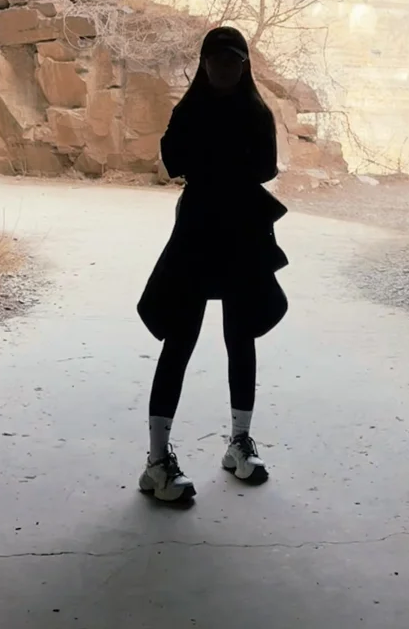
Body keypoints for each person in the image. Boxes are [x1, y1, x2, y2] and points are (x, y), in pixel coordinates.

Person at [136, 25, 289, 503]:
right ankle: (156, 462)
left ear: (243, 66)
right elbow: (174, 160)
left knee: (239, 336)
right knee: (181, 337)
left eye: (233, 60)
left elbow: (263, 166)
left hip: (238, 231)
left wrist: (215, 161)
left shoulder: (251, 112)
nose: (224, 68)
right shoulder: (194, 111)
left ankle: (238, 442)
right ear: (205, 64)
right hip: (202, 232)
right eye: (217, 59)